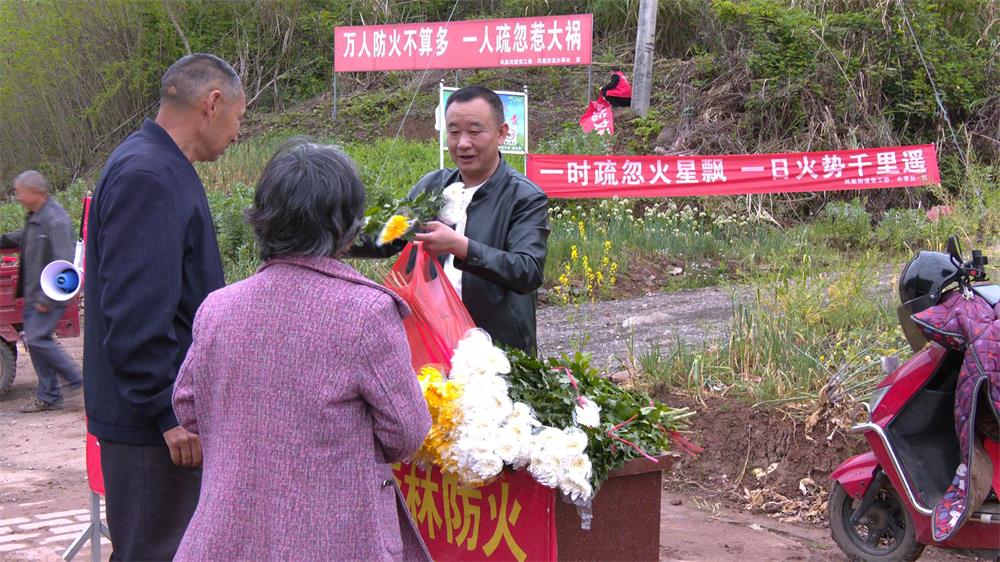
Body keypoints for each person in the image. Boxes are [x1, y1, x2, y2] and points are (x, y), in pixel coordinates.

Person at [172, 141, 432, 560]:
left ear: (263, 216)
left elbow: (187, 406)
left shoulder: (217, 307)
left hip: (227, 537)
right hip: (333, 537)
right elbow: (407, 433)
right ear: (347, 223)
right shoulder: (366, 312)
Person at [83, 53, 245, 561]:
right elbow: (135, 313)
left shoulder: (160, 164)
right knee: (157, 551)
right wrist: (167, 410)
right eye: (239, 117)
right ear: (212, 103)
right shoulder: (149, 175)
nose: (238, 133)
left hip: (157, 421)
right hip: (154, 430)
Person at [354, 85, 550, 354]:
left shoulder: (524, 197)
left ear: (501, 133)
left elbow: (527, 270)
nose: (463, 143)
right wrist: (334, 238)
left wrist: (461, 247)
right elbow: (390, 235)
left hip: (496, 351)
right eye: (454, 132)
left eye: (474, 131)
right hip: (431, 342)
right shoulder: (433, 186)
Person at [0, 170, 82, 413]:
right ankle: (49, 396)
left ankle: (75, 379)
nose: (18, 197)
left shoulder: (56, 220)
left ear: (34, 191)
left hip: (49, 295)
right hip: (33, 294)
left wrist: (47, 298)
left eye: (20, 192)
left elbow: (64, 262)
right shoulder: (37, 216)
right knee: (35, 343)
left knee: (37, 339)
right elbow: (21, 238)